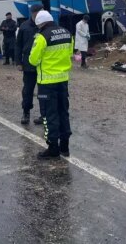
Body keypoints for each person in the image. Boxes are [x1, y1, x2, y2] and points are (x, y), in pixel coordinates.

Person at [29, 10, 74, 159]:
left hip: (46, 82)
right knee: (63, 112)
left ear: (40, 23)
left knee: (49, 115)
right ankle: (65, 147)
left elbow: (33, 60)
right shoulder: (67, 33)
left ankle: (53, 148)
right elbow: (70, 54)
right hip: (63, 80)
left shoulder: (42, 36)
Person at [14, 4, 45, 125]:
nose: (39, 15)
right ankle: (26, 112)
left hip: (43, 65)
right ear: (32, 13)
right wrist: (18, 62)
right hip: (28, 65)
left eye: (41, 12)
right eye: (37, 12)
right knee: (28, 91)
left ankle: (44, 114)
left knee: (43, 92)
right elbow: (18, 45)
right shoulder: (24, 26)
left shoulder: (45, 26)